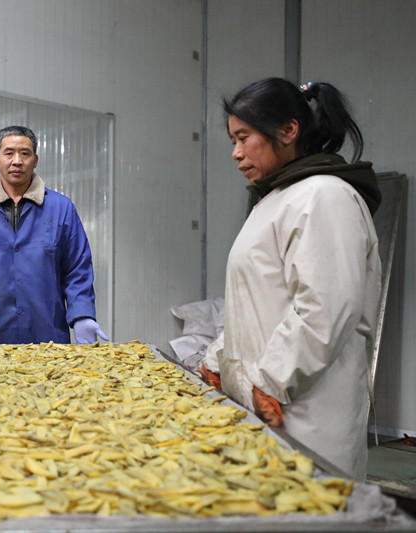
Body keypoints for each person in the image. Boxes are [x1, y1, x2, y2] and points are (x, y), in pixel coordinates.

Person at [201, 78, 381, 480]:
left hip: (305, 411)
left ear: (288, 130)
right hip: (266, 402)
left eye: (243, 138)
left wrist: (269, 383)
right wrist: (217, 360)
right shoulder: (274, 199)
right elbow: (256, 303)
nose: (236, 153)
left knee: (310, 501)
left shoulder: (324, 196)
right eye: (233, 140)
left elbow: (325, 310)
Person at [0, 125, 108, 345]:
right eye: (9, 153)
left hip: (47, 339)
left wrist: (82, 315)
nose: (17, 161)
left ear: (35, 160)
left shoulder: (61, 208)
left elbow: (77, 269)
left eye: (25, 153)